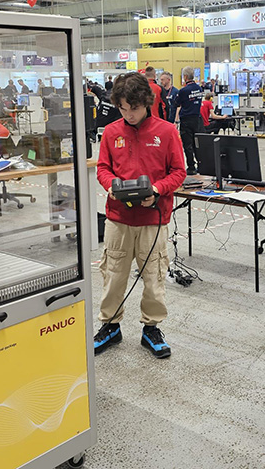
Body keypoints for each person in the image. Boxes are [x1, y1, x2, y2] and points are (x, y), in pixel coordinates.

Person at [93, 72, 186, 359]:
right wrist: (111, 186)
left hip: (153, 220)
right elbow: (102, 168)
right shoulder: (111, 132)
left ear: (146, 102)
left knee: (154, 277)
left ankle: (151, 328)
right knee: (113, 275)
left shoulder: (166, 132)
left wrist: (157, 190)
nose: (129, 114)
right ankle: (110, 325)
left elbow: (179, 172)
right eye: (123, 108)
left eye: (133, 108)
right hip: (118, 219)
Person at [175, 67, 204, 175]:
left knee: (188, 144)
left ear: (185, 77)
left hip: (186, 119)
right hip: (197, 119)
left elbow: (177, 103)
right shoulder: (199, 88)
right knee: (197, 143)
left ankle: (191, 167)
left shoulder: (183, 91)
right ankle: (201, 165)